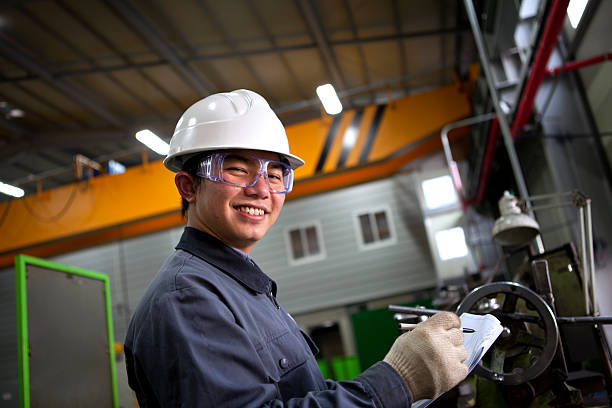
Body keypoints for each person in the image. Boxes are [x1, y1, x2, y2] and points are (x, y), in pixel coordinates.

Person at [124, 89, 468, 407]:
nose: (261, 190)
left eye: (275, 174)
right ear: (188, 186)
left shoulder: (241, 288)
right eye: (238, 169)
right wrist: (398, 381)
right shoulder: (187, 300)